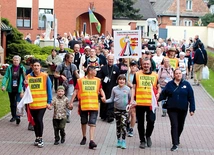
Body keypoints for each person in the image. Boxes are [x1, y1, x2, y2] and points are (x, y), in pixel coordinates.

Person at [69, 66, 106, 149]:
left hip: (94, 105)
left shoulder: (97, 80)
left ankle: (91, 140)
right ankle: (84, 137)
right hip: (84, 105)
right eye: (95, 71)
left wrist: (104, 96)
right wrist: (71, 102)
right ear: (90, 71)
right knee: (83, 122)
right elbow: (75, 91)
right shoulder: (80, 81)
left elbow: (100, 90)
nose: (96, 72)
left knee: (92, 123)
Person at [158, 69, 195, 151]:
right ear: (174, 75)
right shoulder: (170, 84)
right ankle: (175, 143)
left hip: (183, 109)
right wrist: (156, 100)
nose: (178, 75)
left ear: (181, 75)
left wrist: (192, 109)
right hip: (172, 109)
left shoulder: (186, 84)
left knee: (181, 125)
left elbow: (191, 97)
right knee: (174, 125)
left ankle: (177, 138)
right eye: (176, 73)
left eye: (179, 73)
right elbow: (163, 94)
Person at [130, 57, 161, 149]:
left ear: (150, 65)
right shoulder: (137, 74)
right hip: (140, 102)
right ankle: (142, 140)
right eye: (144, 64)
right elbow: (133, 88)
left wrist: (159, 93)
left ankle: (148, 136)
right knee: (140, 123)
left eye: (147, 64)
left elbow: (159, 87)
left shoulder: (155, 75)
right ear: (142, 65)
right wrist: (132, 99)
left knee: (151, 120)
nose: (146, 65)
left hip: (151, 103)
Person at [26, 59, 52, 148]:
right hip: (32, 104)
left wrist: (49, 102)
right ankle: (37, 137)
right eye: (35, 65)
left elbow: (49, 89)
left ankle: (40, 138)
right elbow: (25, 88)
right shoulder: (28, 77)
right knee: (35, 121)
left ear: (40, 67)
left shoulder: (45, 76)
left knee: (39, 119)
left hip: (42, 103)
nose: (36, 67)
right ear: (32, 67)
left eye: (38, 65)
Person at [103, 74, 131, 149]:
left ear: (125, 81)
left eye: (123, 79)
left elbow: (130, 99)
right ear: (117, 80)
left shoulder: (128, 89)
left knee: (123, 125)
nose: (121, 81)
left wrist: (132, 105)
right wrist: (105, 101)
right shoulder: (114, 89)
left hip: (125, 110)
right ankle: (118, 140)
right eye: (120, 79)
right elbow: (111, 99)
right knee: (118, 125)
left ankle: (123, 141)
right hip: (117, 109)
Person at [54, 53, 79, 123]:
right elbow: (55, 74)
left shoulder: (73, 66)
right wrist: (60, 76)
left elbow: (76, 74)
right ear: (67, 58)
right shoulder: (60, 65)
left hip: (70, 83)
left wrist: (81, 80)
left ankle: (67, 115)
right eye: (71, 58)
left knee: (68, 98)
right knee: (61, 99)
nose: (72, 59)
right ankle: (60, 114)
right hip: (62, 84)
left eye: (72, 57)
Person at [1, 55, 26, 124]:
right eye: (14, 60)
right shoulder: (10, 68)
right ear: (12, 60)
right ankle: (13, 116)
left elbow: (25, 79)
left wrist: (23, 89)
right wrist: (3, 85)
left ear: (19, 61)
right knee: (12, 103)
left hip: (19, 88)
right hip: (11, 88)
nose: (15, 61)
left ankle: (18, 116)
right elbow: (6, 77)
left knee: (18, 103)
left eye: (17, 60)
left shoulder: (22, 68)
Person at [97, 55, 120, 122]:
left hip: (113, 87)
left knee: (111, 102)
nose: (111, 61)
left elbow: (118, 78)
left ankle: (110, 116)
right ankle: (104, 115)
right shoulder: (103, 68)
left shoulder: (116, 68)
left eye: (112, 60)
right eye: (109, 59)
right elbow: (99, 77)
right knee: (104, 101)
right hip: (104, 88)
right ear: (107, 60)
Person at [126, 60, 138, 136]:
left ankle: (131, 128)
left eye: (134, 66)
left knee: (133, 113)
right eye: (132, 66)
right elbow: (127, 82)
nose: (133, 67)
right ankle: (127, 122)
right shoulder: (127, 74)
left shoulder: (139, 74)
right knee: (128, 113)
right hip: (128, 96)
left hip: (136, 96)